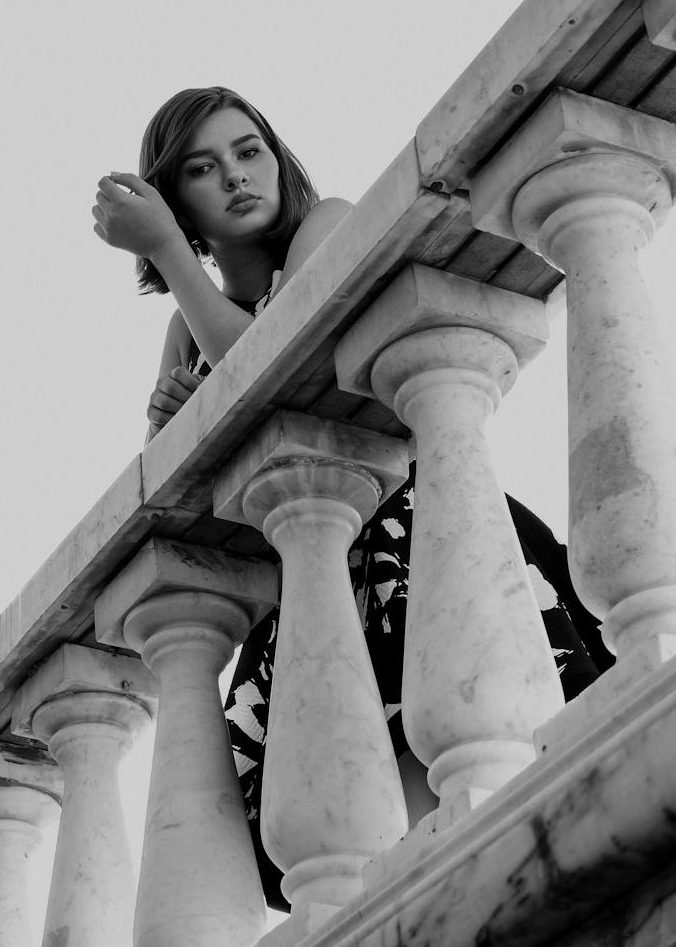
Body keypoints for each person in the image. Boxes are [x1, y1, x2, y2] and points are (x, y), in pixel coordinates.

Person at [93, 85, 612, 910]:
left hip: (409, 534)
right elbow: (177, 482)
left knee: (474, 773)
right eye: (203, 168)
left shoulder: (325, 226)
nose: (235, 177)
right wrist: (167, 418)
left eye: (248, 150)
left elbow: (280, 363)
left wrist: (167, 251)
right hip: (313, 577)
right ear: (176, 192)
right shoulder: (190, 319)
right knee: (375, 836)